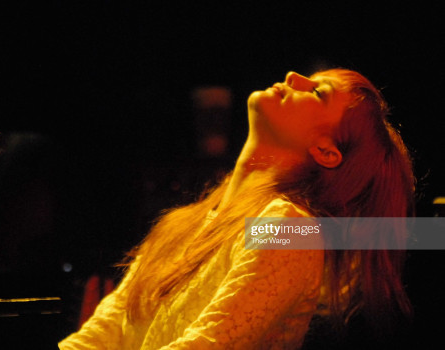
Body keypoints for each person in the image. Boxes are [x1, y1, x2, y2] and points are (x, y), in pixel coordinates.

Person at [58, 68, 414, 349]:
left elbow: (208, 345)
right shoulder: (188, 220)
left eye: (318, 93)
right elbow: (103, 333)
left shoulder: (286, 227)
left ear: (326, 151)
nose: (294, 77)